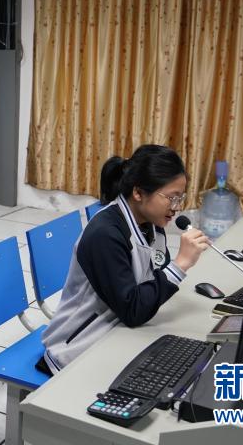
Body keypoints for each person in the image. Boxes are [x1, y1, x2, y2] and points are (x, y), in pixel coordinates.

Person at [36, 144, 211, 376]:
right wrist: (181, 264)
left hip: (119, 329)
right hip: (76, 346)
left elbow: (154, 276)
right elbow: (133, 311)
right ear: (138, 193)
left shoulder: (151, 223)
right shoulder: (105, 235)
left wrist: (171, 271)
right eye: (171, 198)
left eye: (180, 197)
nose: (177, 207)